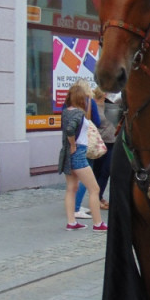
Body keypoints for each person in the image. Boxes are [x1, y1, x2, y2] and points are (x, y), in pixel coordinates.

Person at [59, 80, 107, 232]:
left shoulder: (66, 111)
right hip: (78, 153)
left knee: (71, 188)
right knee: (94, 189)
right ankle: (98, 223)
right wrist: (73, 144)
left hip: (66, 155)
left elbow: (67, 128)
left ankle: (71, 222)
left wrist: (70, 145)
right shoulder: (79, 113)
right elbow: (70, 129)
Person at [73, 87, 116, 219]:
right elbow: (95, 122)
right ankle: (93, 198)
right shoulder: (93, 105)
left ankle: (98, 196)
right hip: (98, 143)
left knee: (106, 171)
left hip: (112, 141)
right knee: (96, 171)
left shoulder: (111, 105)